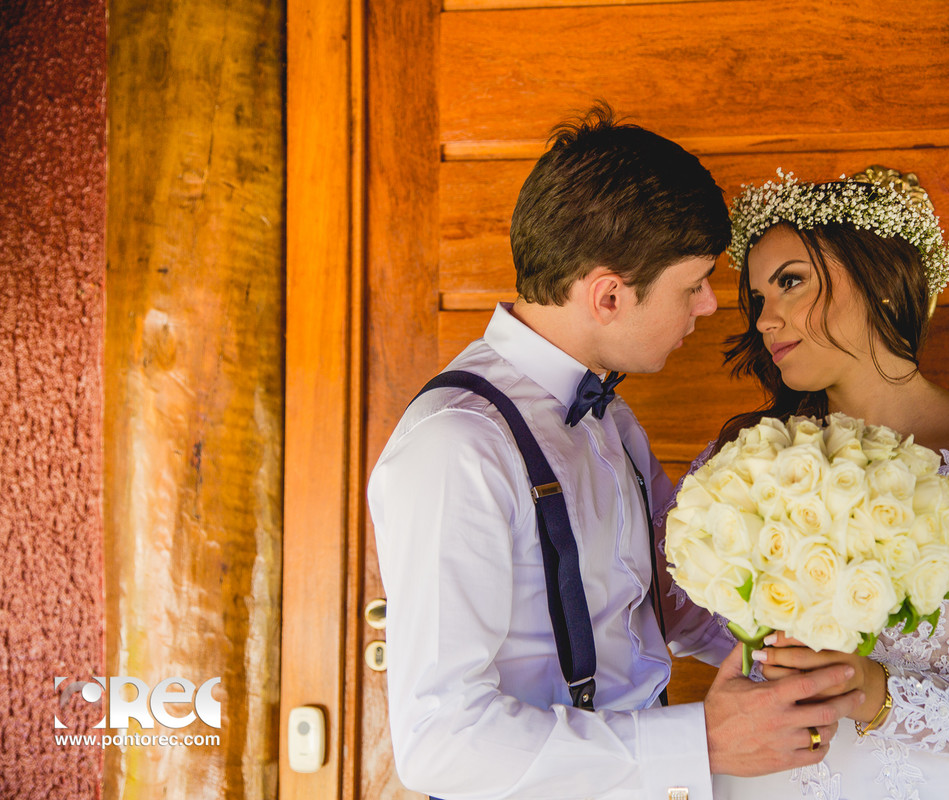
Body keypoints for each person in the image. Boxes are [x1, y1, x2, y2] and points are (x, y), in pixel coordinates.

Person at [367, 107, 865, 800]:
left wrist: (810, 654)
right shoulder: (458, 447)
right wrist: (701, 744)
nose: (711, 307)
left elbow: (677, 601)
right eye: (693, 284)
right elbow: (441, 743)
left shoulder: (612, 418)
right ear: (609, 295)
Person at [683, 166, 949, 798]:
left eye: (790, 283)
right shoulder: (747, 465)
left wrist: (881, 694)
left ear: (877, 277)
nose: (766, 320)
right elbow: (677, 621)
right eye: (759, 300)